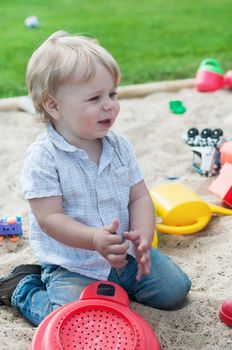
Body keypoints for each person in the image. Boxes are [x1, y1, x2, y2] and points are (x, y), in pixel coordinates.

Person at [0, 31, 191, 326]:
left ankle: (121, 287)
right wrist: (93, 239)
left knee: (175, 290)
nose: (110, 105)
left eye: (112, 94)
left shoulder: (119, 146)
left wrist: (143, 233)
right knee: (71, 321)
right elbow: (49, 218)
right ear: (53, 106)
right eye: (95, 98)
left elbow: (138, 196)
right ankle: (24, 289)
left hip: (125, 256)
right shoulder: (44, 157)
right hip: (73, 265)